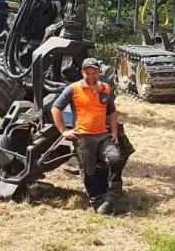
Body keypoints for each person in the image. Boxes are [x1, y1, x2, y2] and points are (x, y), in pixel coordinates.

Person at [52, 58, 131, 215]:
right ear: (83, 73)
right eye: (88, 73)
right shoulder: (73, 89)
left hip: (103, 135)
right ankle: (97, 204)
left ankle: (112, 197)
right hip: (83, 137)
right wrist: (63, 131)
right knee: (89, 171)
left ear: (99, 72)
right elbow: (56, 108)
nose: (91, 76)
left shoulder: (106, 88)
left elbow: (112, 112)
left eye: (94, 72)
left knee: (115, 159)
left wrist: (114, 132)